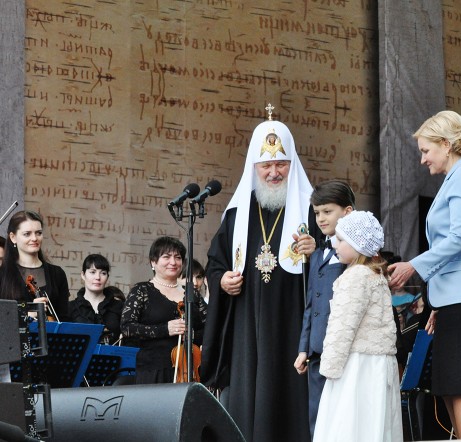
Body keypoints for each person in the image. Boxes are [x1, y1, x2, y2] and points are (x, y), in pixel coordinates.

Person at [201, 117, 316, 442]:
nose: (274, 172)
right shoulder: (238, 214)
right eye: (266, 165)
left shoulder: (310, 212)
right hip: (246, 326)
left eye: (281, 164)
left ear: (292, 165)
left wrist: (315, 250)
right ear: (254, 166)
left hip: (291, 322)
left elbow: (333, 261)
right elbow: (215, 263)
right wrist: (222, 280)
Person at [388, 110, 461, 439]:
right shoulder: (457, 178)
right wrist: (437, 301)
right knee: (451, 383)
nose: (423, 159)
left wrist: (414, 266)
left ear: (446, 144)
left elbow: (460, 237)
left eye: (425, 150)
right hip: (455, 297)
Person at [313, 210, 402, 441]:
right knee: (374, 423)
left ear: (358, 245)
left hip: (357, 366)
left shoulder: (354, 277)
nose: (335, 244)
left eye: (341, 240)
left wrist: (329, 368)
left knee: (350, 423)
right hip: (379, 364)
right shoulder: (375, 275)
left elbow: (342, 327)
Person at [294, 180, 355, 438]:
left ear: (347, 211)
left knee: (343, 418)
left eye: (327, 211)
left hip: (345, 351)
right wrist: (303, 348)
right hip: (317, 352)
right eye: (317, 212)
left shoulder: (356, 255)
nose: (320, 219)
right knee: (317, 418)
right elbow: (311, 306)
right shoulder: (318, 255)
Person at [121, 236, 207, 384]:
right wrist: (165, 329)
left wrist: (192, 333)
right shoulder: (142, 290)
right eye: (166, 257)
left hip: (189, 369)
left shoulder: (192, 294)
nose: (173, 262)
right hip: (153, 370)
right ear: (153, 262)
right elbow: (127, 327)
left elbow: (209, 327)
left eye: (178, 257)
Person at [0, 210, 69, 321]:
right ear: (13, 237)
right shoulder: (2, 275)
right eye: (27, 234)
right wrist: (27, 315)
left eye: (38, 233)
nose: (34, 238)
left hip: (51, 337)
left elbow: (64, 317)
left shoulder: (57, 274)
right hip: (15, 338)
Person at [68, 254, 124, 345]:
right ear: (83, 275)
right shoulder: (70, 308)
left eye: (103, 273)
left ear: (107, 277)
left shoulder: (120, 307)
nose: (98, 277)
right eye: (92, 272)